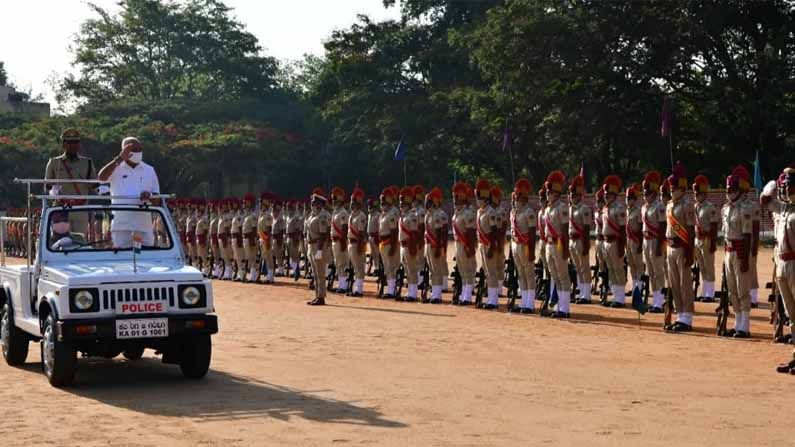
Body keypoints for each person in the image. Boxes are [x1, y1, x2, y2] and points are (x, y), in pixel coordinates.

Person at [97, 136, 160, 248]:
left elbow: (157, 199)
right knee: (123, 258)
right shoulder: (116, 167)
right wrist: (119, 159)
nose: (137, 152)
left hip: (142, 226)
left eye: (139, 149)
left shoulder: (149, 170)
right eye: (133, 149)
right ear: (124, 150)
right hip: (122, 226)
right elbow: (101, 177)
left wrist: (149, 196)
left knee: (142, 257)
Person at [766, 168, 795, 373]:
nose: (785, 188)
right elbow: (764, 200)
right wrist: (774, 184)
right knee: (791, 314)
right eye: (783, 185)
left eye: (788, 185)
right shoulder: (783, 208)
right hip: (782, 264)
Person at [44, 128, 97, 235]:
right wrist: (53, 191)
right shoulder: (54, 162)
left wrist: (101, 189)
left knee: (79, 241)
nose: (73, 145)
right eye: (70, 142)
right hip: (60, 209)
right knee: (60, 242)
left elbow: (94, 185)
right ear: (63, 144)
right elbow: (47, 186)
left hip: (80, 209)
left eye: (76, 142)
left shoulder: (87, 163)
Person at [721, 166, 754, 338]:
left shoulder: (745, 209)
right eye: (727, 190)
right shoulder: (725, 209)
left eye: (732, 190)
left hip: (740, 251)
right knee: (732, 289)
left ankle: (745, 325)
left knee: (743, 289)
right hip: (728, 250)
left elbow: (748, 235)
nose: (729, 193)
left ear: (739, 191)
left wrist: (746, 259)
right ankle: (737, 321)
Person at [664, 162, 696, 332]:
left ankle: (687, 318)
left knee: (684, 283)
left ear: (682, 188)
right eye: (670, 187)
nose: (672, 189)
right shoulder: (669, 205)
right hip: (670, 246)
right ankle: (679, 314)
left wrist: (690, 252)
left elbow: (690, 230)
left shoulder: (687, 204)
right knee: (674, 284)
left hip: (682, 246)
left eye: (674, 187)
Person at [543, 171, 571, 318]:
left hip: (559, 244)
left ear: (556, 192)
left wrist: (565, 248)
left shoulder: (562, 207)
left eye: (550, 191)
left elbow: (565, 230)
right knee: (555, 275)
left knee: (563, 276)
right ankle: (559, 306)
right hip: (549, 244)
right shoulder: (548, 208)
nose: (548, 194)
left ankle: (565, 308)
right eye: (547, 191)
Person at [511, 179, 537, 313]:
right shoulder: (514, 211)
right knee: (521, 274)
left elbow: (532, 233)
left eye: (518, 195)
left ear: (524, 197)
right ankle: (523, 302)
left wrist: (531, 250)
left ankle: (530, 303)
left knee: (529, 274)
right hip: (515, 244)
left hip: (525, 245)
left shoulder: (529, 212)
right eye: (515, 195)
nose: (515, 197)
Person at [601, 175, 627, 308]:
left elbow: (623, 229)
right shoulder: (605, 208)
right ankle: (615, 296)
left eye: (608, 194)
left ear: (614, 194)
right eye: (605, 194)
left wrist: (622, 247)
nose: (605, 196)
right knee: (611, 269)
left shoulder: (620, 208)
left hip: (616, 242)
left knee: (618, 269)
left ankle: (620, 298)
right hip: (606, 242)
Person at [692, 175, 719, 302]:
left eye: (699, 193)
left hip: (707, 239)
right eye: (696, 193)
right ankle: (705, 291)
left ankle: (710, 293)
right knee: (702, 267)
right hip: (697, 240)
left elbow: (714, 226)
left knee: (709, 267)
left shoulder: (710, 207)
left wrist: (713, 243)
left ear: (704, 194)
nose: (697, 195)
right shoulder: (695, 206)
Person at [568, 176, 592, 304]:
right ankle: (581, 292)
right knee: (577, 268)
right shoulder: (570, 208)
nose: (571, 196)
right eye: (571, 194)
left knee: (584, 267)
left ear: (579, 195)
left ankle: (586, 294)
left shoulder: (584, 209)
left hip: (580, 240)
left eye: (574, 194)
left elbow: (586, 229)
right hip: (572, 241)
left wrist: (585, 244)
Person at [452, 182, 477, 305]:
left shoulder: (468, 213)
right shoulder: (457, 212)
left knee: (468, 270)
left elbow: (471, 232)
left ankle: (467, 296)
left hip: (465, 243)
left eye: (457, 198)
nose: (455, 200)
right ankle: (464, 293)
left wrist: (469, 247)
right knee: (462, 270)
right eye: (454, 198)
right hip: (458, 244)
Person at [307, 192, 332, 306]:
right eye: (312, 202)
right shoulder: (313, 215)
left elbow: (323, 234)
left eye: (315, 202)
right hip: (311, 245)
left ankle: (321, 297)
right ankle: (317, 295)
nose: (312, 204)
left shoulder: (322, 216)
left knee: (320, 273)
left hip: (318, 245)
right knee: (315, 273)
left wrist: (320, 250)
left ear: (320, 204)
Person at [424, 187, 448, 304]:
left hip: (435, 245)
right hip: (428, 244)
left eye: (429, 201)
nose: (426, 203)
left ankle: (437, 295)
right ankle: (434, 292)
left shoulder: (439, 214)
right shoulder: (428, 214)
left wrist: (439, 247)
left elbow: (439, 232)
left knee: (437, 270)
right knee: (432, 270)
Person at [398, 186, 421, 301]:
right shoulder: (403, 216)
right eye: (400, 203)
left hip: (409, 246)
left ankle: (413, 292)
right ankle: (410, 291)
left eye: (403, 203)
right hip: (403, 245)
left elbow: (414, 234)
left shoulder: (412, 216)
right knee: (407, 270)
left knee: (412, 269)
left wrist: (412, 248)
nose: (401, 205)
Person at [379, 186, 401, 298]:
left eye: (383, 200)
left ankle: (391, 290)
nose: (381, 202)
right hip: (383, 243)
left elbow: (394, 230)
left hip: (390, 242)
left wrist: (393, 246)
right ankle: (390, 288)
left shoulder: (393, 212)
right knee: (387, 267)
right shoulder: (384, 212)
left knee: (391, 267)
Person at [347, 188, 368, 297]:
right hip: (351, 243)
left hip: (357, 243)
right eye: (351, 202)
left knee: (359, 267)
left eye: (353, 202)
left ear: (358, 203)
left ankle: (359, 289)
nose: (351, 204)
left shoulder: (361, 216)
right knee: (355, 267)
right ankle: (356, 287)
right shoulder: (352, 215)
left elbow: (360, 233)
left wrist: (360, 247)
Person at [330, 187, 350, 293]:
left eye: (335, 200)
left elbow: (344, 228)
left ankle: (344, 284)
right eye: (333, 200)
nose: (333, 202)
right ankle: (341, 283)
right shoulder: (336, 212)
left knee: (342, 263)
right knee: (338, 263)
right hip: (334, 241)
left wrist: (342, 242)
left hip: (340, 241)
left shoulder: (343, 213)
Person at [625, 183, 644, 295]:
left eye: (630, 198)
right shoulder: (627, 211)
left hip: (636, 240)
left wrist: (640, 244)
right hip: (628, 240)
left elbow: (641, 228)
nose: (628, 200)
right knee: (631, 265)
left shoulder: (639, 210)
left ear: (635, 199)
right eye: (627, 198)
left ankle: (640, 287)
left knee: (638, 265)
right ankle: (634, 287)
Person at [258, 193, 275, 284]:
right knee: (265, 256)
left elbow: (269, 228)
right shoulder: (262, 214)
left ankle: (270, 276)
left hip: (266, 237)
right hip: (262, 237)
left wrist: (267, 240)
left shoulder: (268, 214)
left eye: (262, 204)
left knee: (269, 257)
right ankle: (268, 275)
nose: (260, 205)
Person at [242, 193, 258, 282]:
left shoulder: (253, 215)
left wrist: (253, 240)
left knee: (252, 257)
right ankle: (252, 274)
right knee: (249, 257)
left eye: (246, 203)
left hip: (250, 238)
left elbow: (254, 228)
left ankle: (254, 275)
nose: (244, 204)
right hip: (246, 238)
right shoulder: (246, 215)